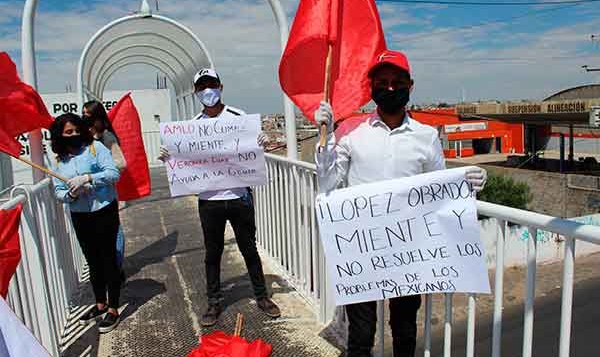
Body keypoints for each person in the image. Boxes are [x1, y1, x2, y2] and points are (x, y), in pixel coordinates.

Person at [314, 50, 487, 357]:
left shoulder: (426, 136)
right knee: (361, 335)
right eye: (382, 81)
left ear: (411, 85)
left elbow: (440, 192)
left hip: (409, 253)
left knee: (405, 330)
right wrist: (324, 138)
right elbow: (327, 182)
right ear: (371, 87)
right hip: (362, 252)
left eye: (397, 81)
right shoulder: (351, 132)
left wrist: (467, 183)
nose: (390, 88)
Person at [158, 68, 280, 327]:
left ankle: (262, 296)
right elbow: (185, 158)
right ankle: (214, 302)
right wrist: (169, 156)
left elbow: (252, 148)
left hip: (239, 197)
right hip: (209, 200)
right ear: (196, 92)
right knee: (212, 252)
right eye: (202, 87)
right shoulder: (192, 127)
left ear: (221, 86)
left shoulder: (239, 117)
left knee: (249, 248)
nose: (208, 90)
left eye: (211, 84)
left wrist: (261, 141)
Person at [50, 113, 122, 333]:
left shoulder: (95, 148)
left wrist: (89, 179)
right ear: (60, 136)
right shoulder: (59, 160)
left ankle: (114, 308)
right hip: (80, 213)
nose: (73, 135)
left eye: (76, 130)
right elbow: (58, 191)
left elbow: (113, 173)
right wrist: (70, 195)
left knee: (109, 257)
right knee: (92, 258)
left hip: (104, 209)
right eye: (67, 132)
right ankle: (100, 303)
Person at [82, 101, 127, 281]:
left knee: (114, 231)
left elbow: (121, 163)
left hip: (105, 192)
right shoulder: (85, 137)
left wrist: (96, 174)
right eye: (83, 114)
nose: (85, 117)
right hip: (89, 197)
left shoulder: (107, 138)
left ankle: (115, 268)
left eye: (89, 115)